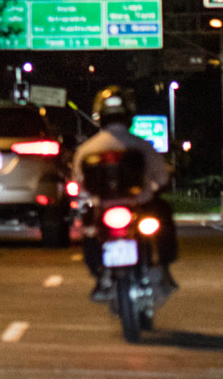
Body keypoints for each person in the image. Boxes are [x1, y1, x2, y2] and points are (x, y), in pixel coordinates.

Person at [74, 86, 178, 299]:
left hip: (102, 209)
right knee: (164, 213)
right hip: (139, 206)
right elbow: (162, 177)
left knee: (90, 232)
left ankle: (99, 278)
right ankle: (165, 269)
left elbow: (78, 182)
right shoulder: (142, 146)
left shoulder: (87, 149)